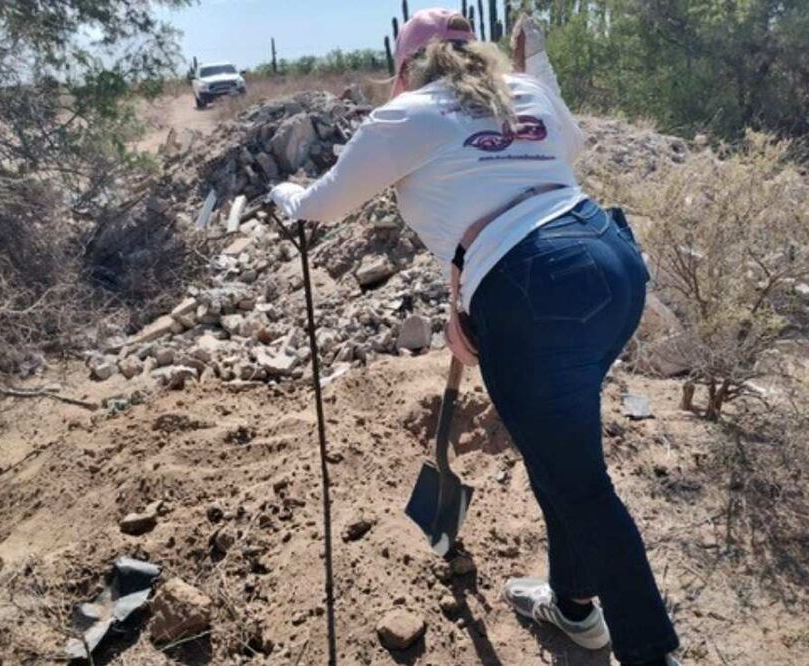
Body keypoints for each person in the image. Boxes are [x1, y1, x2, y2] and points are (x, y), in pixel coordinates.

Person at [269, 8, 680, 666]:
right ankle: (575, 608)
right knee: (562, 456)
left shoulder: (404, 116)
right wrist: (468, 304)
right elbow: (540, 167)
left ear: (406, 69)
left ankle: (653, 653)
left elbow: (326, 202)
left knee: (580, 485)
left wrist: (288, 196)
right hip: (610, 265)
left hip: (535, 288)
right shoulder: (522, 91)